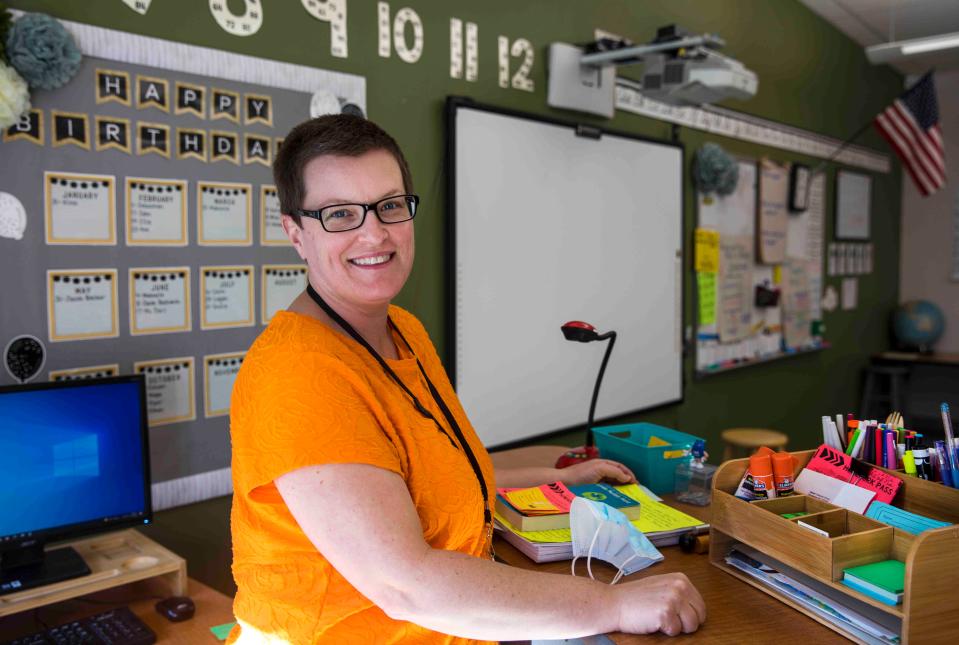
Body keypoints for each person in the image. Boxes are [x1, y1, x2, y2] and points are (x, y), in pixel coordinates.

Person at [228, 114, 705, 644]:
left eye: (389, 205)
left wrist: (557, 474)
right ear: (296, 232)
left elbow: (443, 472)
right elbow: (404, 585)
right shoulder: (299, 374)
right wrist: (613, 604)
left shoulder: (401, 330)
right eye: (340, 214)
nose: (374, 232)